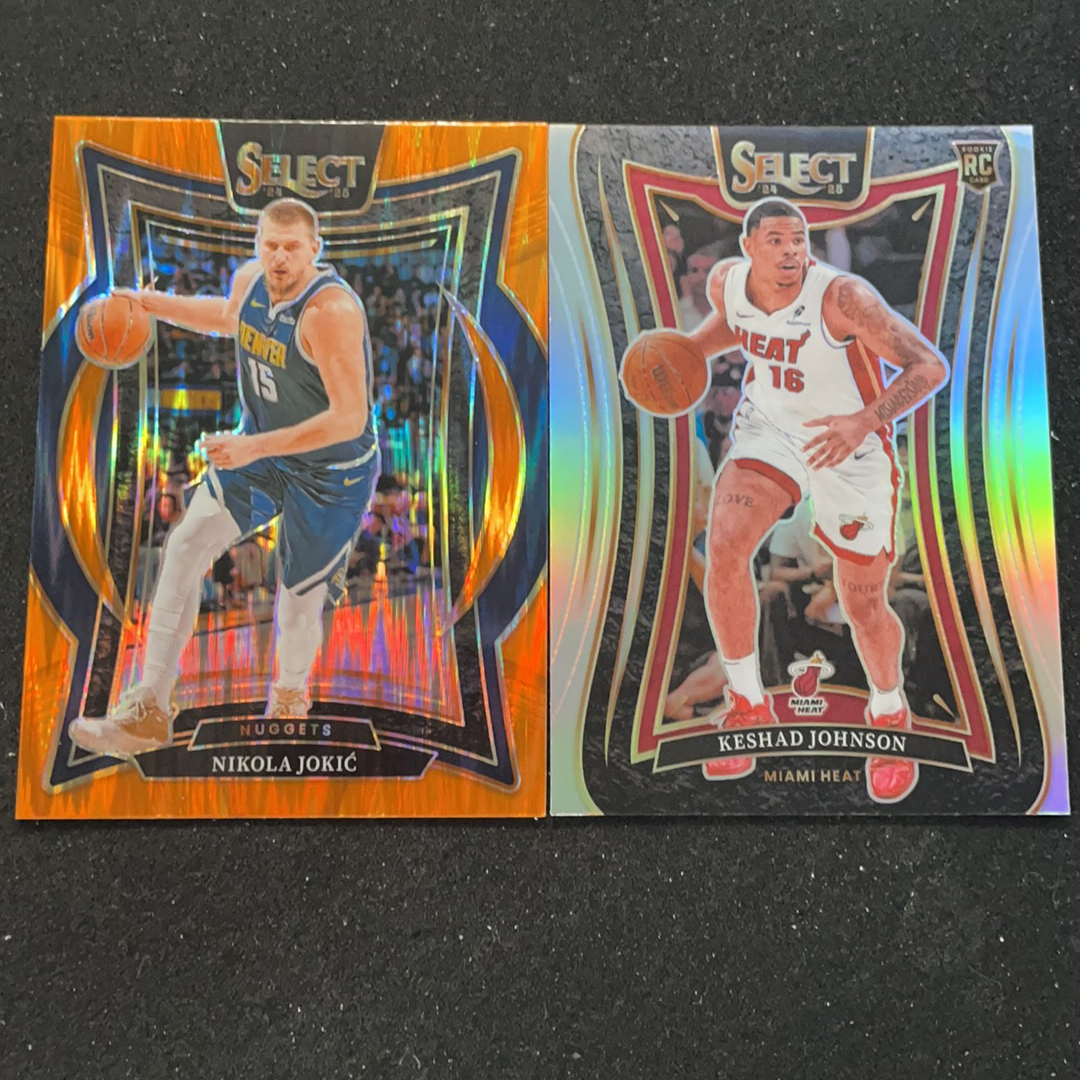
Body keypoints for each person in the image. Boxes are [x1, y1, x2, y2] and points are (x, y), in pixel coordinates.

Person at [636, 197, 948, 804]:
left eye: (799, 240)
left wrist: (864, 420)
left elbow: (929, 367)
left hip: (848, 439)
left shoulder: (844, 298)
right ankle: (748, 705)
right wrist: (691, 351)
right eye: (776, 240)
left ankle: (889, 712)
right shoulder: (727, 283)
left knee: (861, 602)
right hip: (772, 430)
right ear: (748, 247)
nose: (791, 252)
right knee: (726, 545)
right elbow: (737, 324)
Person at [70, 198, 379, 756]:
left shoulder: (330, 312)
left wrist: (251, 445)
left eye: (292, 248)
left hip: (332, 474)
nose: (279, 257)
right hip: (263, 451)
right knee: (184, 546)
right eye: (270, 245)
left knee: (296, 602)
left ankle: (289, 697)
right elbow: (225, 316)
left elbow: (349, 418)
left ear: (315, 249)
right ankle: (149, 706)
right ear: (258, 244)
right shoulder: (251, 281)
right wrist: (149, 302)